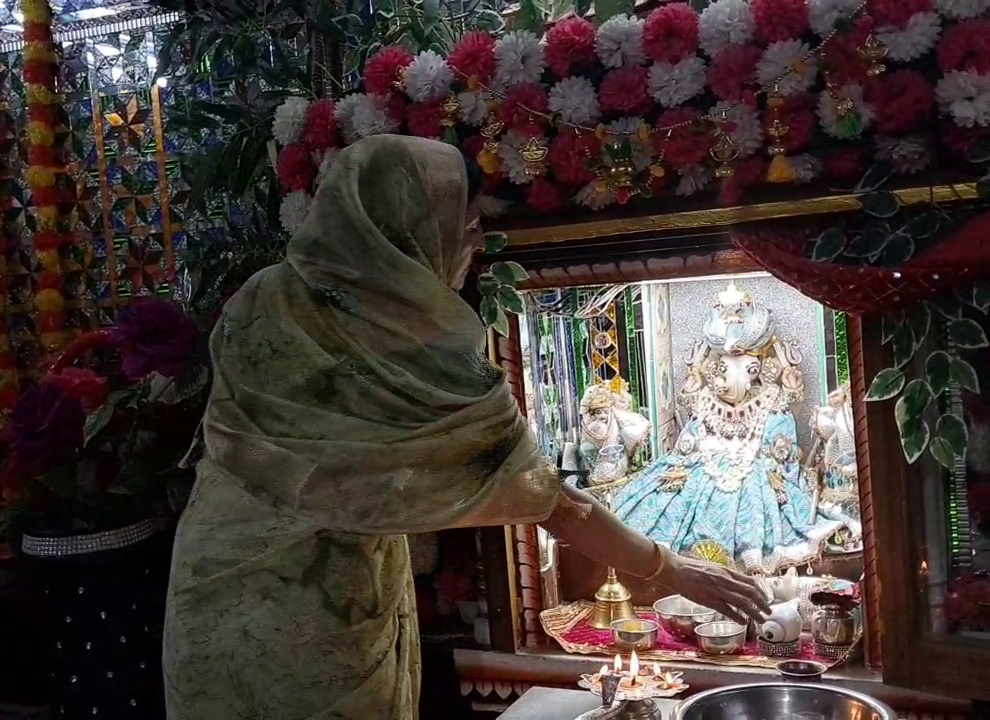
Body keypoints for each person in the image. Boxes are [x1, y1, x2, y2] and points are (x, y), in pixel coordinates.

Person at [162, 135, 769, 719]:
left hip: (210, 574)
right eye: (467, 227)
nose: (478, 243)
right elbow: (547, 499)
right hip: (311, 612)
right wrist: (672, 569)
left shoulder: (263, 297)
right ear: (408, 231)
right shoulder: (417, 343)